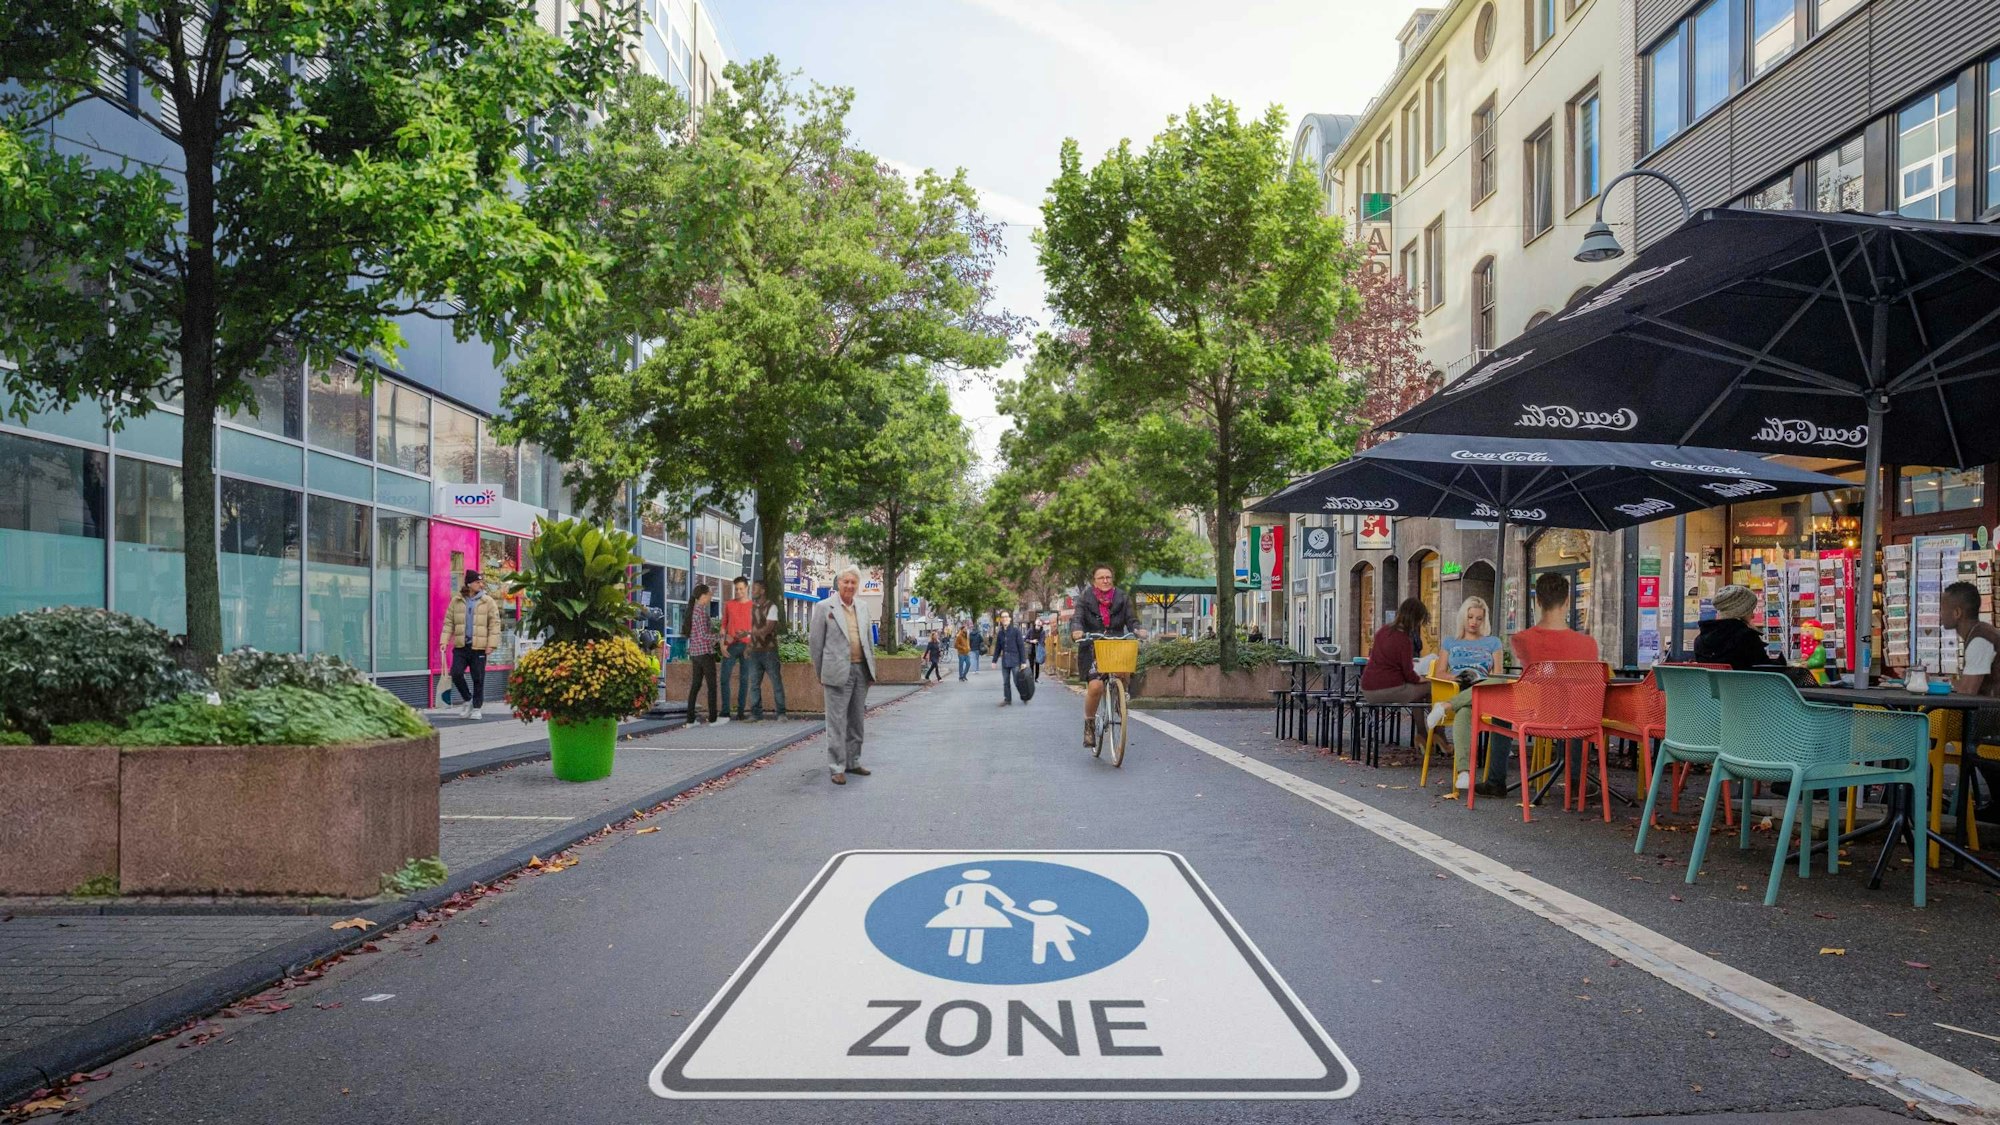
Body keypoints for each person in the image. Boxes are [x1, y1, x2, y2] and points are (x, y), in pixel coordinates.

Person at [1474, 573, 1601, 798]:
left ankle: (1496, 781)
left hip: (1533, 715)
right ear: (1567, 601)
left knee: (1501, 710)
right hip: (1578, 720)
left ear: (1538, 602)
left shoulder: (1522, 639)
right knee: (1579, 705)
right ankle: (1576, 781)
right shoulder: (1587, 644)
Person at [1426, 596, 1505, 792]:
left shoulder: (1493, 642)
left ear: (1484, 620)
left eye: (1479, 618)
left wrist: (1482, 681)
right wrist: (1457, 677)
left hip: (1485, 691)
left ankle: (1446, 706)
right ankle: (1463, 771)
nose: (1474, 622)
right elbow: (1439, 672)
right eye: (1470, 617)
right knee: (1465, 711)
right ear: (1463, 617)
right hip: (1460, 688)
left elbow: (1498, 674)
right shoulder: (1450, 642)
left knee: (1499, 681)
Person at [809, 566, 878, 785]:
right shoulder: (823, 607)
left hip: (860, 670)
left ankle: (853, 761)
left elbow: (868, 641)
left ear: (857, 585)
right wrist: (820, 672)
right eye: (845, 582)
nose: (849, 586)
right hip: (836, 671)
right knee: (836, 722)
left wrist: (871, 670)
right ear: (838, 584)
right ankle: (837, 767)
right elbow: (815, 643)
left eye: (853, 582)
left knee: (856, 721)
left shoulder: (864, 607)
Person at [1942, 581, 2000, 815]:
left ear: (1957, 613)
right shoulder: (1981, 635)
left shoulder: (1981, 640)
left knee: (1934, 733)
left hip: (1992, 721)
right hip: (1990, 720)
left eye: (1942, 608)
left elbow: (1968, 691)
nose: (1940, 614)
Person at [1073, 565, 1139, 747]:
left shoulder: (1122, 597)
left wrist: (1137, 629)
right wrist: (1077, 631)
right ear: (1094, 581)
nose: (1105, 580)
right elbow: (1077, 618)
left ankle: (1119, 696)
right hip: (1092, 646)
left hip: (1115, 645)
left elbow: (1131, 619)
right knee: (1095, 687)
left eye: (1108, 577)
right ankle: (1089, 725)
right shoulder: (1085, 598)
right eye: (1101, 577)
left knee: (1124, 670)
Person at [439, 570, 502, 719]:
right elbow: (449, 623)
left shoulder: (488, 601)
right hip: (461, 646)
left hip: (479, 647)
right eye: (477, 582)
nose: (480, 584)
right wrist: (444, 641)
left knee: (478, 678)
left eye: (481, 582)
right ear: (469, 584)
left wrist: (491, 645)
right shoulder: (457, 601)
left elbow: (495, 624)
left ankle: (477, 708)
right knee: (456, 673)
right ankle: (467, 700)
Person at [1359, 598, 1430, 707]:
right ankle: (1433, 723)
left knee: (1416, 691)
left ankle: (1422, 724)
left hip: (1368, 689)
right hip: (1390, 689)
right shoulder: (1404, 639)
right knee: (1431, 687)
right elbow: (1409, 675)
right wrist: (1424, 679)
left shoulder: (1383, 631)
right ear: (1415, 619)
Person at [1693, 584, 1782, 670]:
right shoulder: (1746, 637)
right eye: (1750, 610)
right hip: (1747, 685)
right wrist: (1783, 660)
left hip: (1716, 685)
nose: (1753, 616)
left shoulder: (1700, 641)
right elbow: (1767, 671)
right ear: (1741, 611)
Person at [685, 584, 725, 726]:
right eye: (709, 594)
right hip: (705, 653)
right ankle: (713, 718)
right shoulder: (700, 612)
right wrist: (718, 637)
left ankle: (690, 719)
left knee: (696, 685)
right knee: (712, 685)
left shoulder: (693, 611)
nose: (710, 597)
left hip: (695, 653)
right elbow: (703, 635)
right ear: (702, 596)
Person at [748, 580, 786, 721]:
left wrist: (753, 632)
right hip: (754, 651)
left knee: (776, 682)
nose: (752, 591)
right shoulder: (751, 608)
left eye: (755, 589)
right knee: (754, 685)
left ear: (762, 591)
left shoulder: (772, 607)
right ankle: (756, 714)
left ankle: (781, 713)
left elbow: (769, 628)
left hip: (769, 651)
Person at [719, 577, 754, 721]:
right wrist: (721, 645)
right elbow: (723, 625)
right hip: (731, 645)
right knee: (724, 677)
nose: (738, 591)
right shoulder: (729, 605)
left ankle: (741, 711)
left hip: (747, 646)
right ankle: (726, 710)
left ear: (746, 588)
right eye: (736, 589)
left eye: (741, 588)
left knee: (744, 679)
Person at [994, 610, 1026, 706]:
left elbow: (1021, 646)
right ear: (1001, 619)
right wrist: (994, 660)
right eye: (1003, 617)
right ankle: (1007, 699)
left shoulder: (1016, 631)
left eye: (1006, 616)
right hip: (1005, 661)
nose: (1004, 618)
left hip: (1015, 660)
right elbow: (998, 648)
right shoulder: (1000, 633)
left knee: (1017, 681)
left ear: (1010, 619)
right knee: (1006, 682)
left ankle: (1024, 696)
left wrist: (1023, 662)